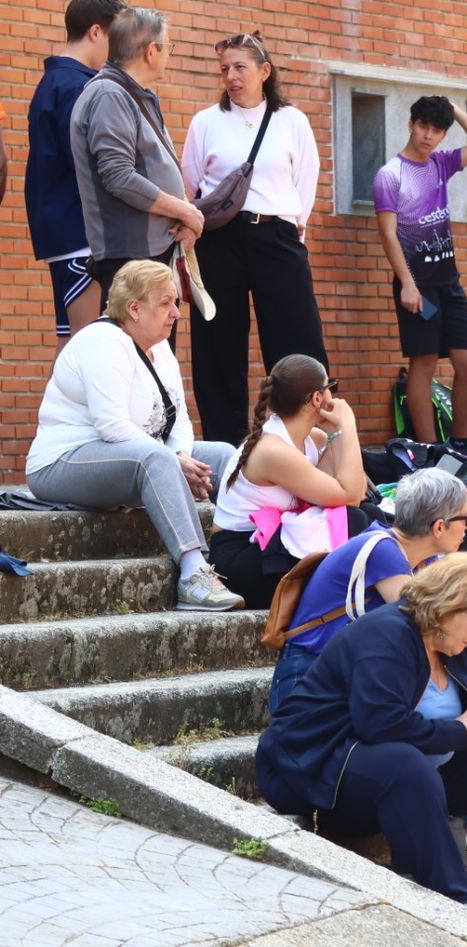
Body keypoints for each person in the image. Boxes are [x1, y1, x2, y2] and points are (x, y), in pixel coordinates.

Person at [254, 553, 467, 921]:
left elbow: (465, 708)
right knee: (405, 764)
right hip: (313, 769)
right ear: (448, 606)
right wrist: (462, 728)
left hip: (395, 779)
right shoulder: (386, 634)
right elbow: (379, 724)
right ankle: (452, 902)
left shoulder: (449, 641)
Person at [26, 260, 242, 612]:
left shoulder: (161, 348)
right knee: (156, 458)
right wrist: (172, 462)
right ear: (134, 308)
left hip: (136, 457)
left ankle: (244, 551)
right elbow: (112, 426)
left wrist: (181, 457)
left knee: (223, 455)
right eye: (165, 303)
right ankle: (193, 574)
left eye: (176, 303)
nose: (176, 313)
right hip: (60, 463)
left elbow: (180, 420)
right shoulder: (102, 341)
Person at [182, 33, 328, 445]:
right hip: (219, 240)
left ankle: (304, 443)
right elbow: (192, 184)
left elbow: (306, 182)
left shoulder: (291, 121)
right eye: (224, 69)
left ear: (264, 71)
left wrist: (294, 225)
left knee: (298, 342)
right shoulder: (206, 122)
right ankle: (227, 452)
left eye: (240, 67)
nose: (231, 76)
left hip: (277, 236)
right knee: (217, 348)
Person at [266, 468, 467, 714]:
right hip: (308, 674)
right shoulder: (383, 549)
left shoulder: (423, 561)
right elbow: (427, 624)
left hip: (340, 673)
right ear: (439, 527)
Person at [373, 95, 467, 452]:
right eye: (424, 126)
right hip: (418, 285)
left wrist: (452, 107)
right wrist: (407, 284)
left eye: (437, 130)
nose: (428, 135)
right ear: (411, 124)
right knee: (424, 363)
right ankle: (429, 450)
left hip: (449, 283)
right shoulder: (390, 175)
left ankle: (461, 442)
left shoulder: (441, 164)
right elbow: (388, 234)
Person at [209, 354, 370, 607]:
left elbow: (351, 492)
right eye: (331, 387)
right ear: (317, 398)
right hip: (241, 559)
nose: (334, 396)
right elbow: (350, 496)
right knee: (355, 520)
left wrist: (336, 433)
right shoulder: (272, 450)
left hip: (272, 542)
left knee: (368, 516)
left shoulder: (312, 439)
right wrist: (347, 425)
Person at [69, 7, 204, 294]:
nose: (169, 54)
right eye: (168, 46)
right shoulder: (110, 95)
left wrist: (184, 216)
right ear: (151, 51)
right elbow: (119, 177)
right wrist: (183, 209)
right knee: (133, 326)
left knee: (157, 326)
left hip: (148, 253)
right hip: (132, 258)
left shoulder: (132, 93)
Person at [26, 0, 127, 348]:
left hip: (68, 231)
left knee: (74, 346)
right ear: (96, 32)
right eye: (116, 38)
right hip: (80, 235)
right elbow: (90, 163)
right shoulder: (76, 86)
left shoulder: (59, 82)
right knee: (84, 348)